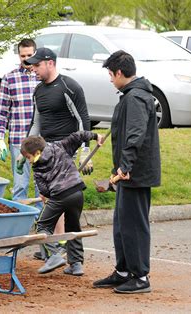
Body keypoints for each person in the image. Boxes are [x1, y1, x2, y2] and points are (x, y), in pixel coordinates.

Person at [93, 50, 161, 294]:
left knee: (134, 224)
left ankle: (140, 277)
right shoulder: (131, 95)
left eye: (111, 75)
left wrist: (126, 166)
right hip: (127, 172)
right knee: (122, 223)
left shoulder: (135, 98)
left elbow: (135, 134)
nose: (111, 79)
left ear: (120, 73)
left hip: (135, 173)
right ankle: (123, 271)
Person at [21, 47, 93, 261]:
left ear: (49, 63)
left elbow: (83, 120)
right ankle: (53, 244)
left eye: (36, 65)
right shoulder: (38, 91)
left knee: (61, 198)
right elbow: (36, 123)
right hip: (45, 153)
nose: (33, 69)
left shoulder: (68, 87)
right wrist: (24, 150)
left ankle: (60, 244)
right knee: (47, 198)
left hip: (65, 151)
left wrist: (85, 151)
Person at [20, 131, 104, 275]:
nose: (28, 161)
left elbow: (44, 190)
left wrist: (46, 195)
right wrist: (96, 136)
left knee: (42, 226)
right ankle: (76, 264)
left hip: (59, 196)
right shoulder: (60, 146)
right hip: (77, 192)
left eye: (28, 157)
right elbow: (78, 136)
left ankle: (54, 256)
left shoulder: (37, 167)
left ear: (37, 152)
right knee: (73, 227)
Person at [0, 38, 40, 203]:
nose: (26, 59)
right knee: (20, 184)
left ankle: (41, 220)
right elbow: (1, 112)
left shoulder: (42, 77)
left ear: (35, 53)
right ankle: (20, 219)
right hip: (18, 141)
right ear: (18, 56)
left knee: (41, 185)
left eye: (30, 54)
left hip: (41, 141)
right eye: (23, 56)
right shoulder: (9, 78)